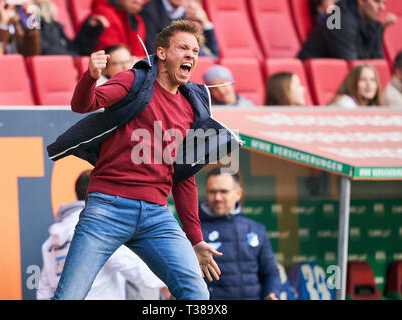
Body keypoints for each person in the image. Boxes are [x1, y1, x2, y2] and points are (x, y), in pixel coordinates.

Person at [47, 20, 242, 300]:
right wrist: (90, 76)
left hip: (156, 215)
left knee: (197, 294)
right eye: (183, 48)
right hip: (107, 207)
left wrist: (196, 239)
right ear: (161, 53)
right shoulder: (133, 80)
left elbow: (183, 176)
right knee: (69, 296)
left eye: (196, 51)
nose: (191, 55)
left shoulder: (191, 105)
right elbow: (83, 105)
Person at [37, 170, 167, 300]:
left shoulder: (52, 240)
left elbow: (44, 291)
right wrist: (168, 279)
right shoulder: (101, 228)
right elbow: (136, 270)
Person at [199, 167, 282, 300]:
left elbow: (270, 271)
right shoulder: (195, 232)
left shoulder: (256, 230)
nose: (217, 197)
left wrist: (271, 293)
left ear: (238, 193)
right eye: (212, 191)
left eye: (223, 191)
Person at [298, 0, 396, 61]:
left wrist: (380, 31)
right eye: (377, 1)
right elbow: (353, 66)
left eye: (384, 3)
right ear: (361, 1)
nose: (382, 8)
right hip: (314, 79)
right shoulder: (341, 20)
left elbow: (377, 61)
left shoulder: (374, 24)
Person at [141, 0, 219, 58]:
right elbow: (152, 48)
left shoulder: (184, 14)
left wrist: (205, 23)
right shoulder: (151, 9)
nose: (192, 6)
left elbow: (214, 53)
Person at [34, 0, 108, 57]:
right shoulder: (31, 17)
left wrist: (91, 29)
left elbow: (75, 48)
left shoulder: (53, 23)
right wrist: (74, 58)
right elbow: (44, 49)